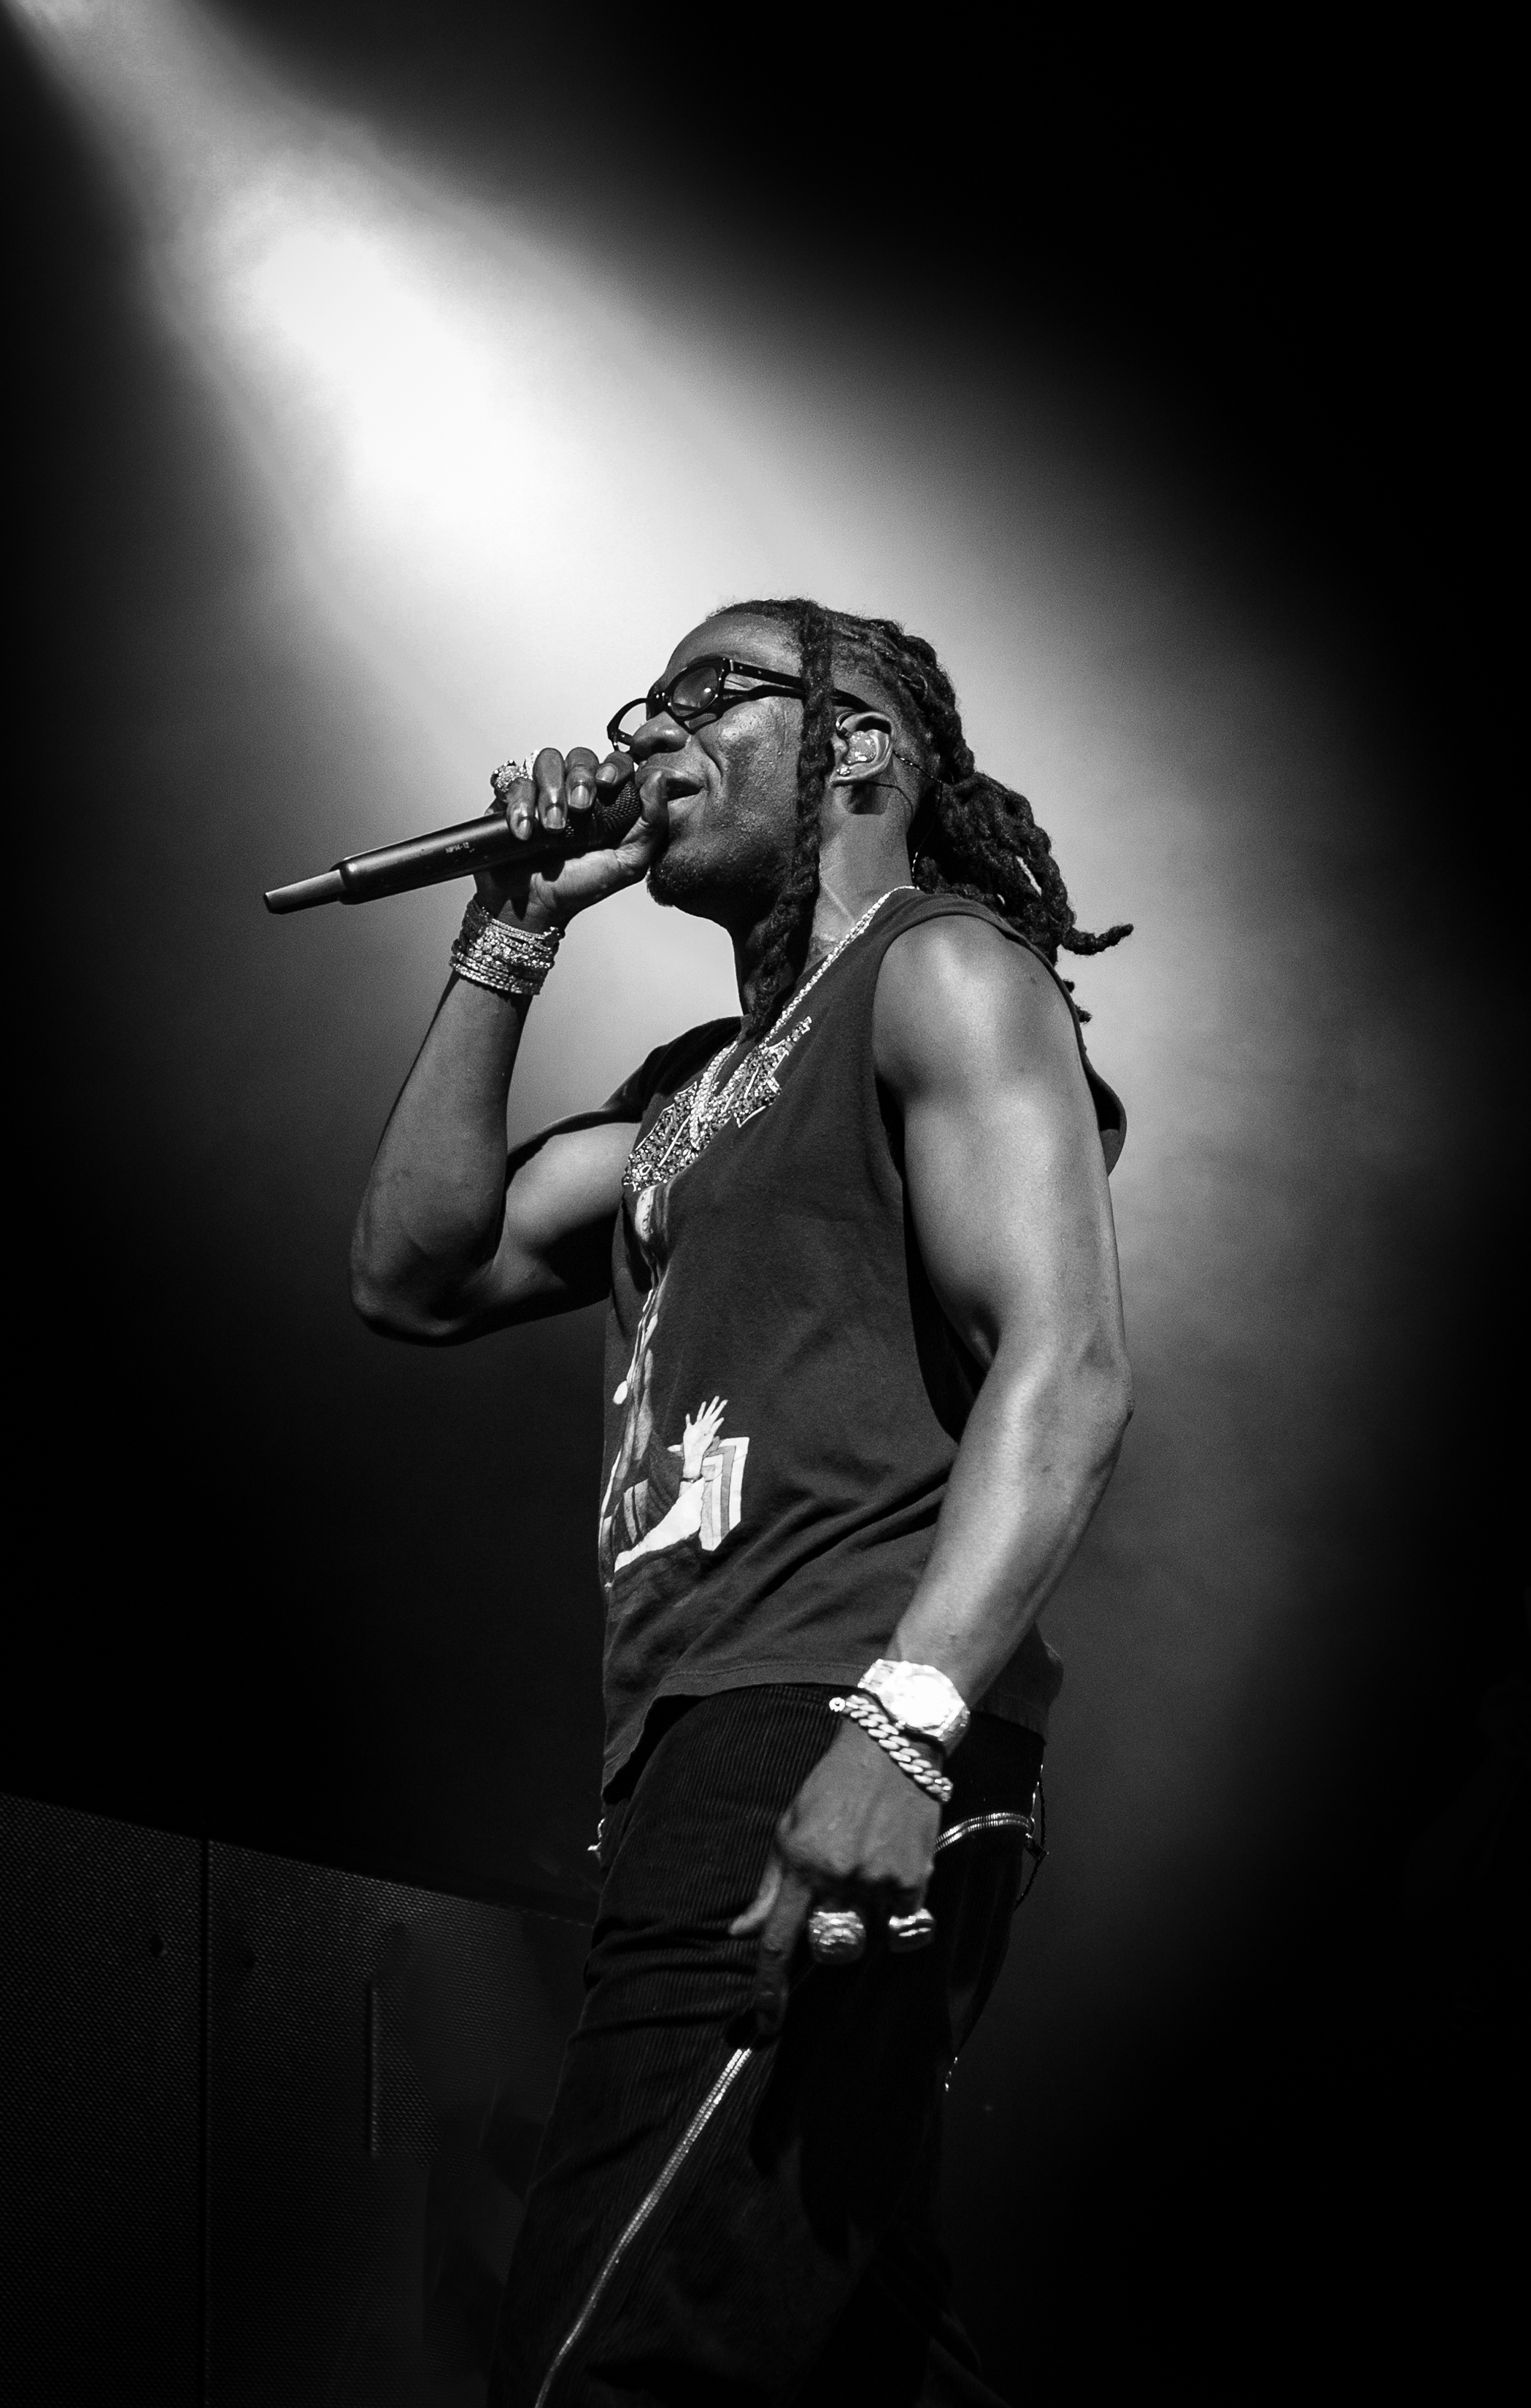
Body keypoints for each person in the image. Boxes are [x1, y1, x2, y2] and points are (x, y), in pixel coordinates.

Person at [350, 598, 1134, 2406]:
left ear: (859, 746)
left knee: (608, 2361)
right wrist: (508, 927)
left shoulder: (940, 971)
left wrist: (901, 1729)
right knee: (841, 2345)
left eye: (706, 694)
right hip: (692, 1746)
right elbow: (413, 1271)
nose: (645, 733)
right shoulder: (685, 1098)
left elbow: (1069, 1363)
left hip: (827, 1715)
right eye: (644, 700)